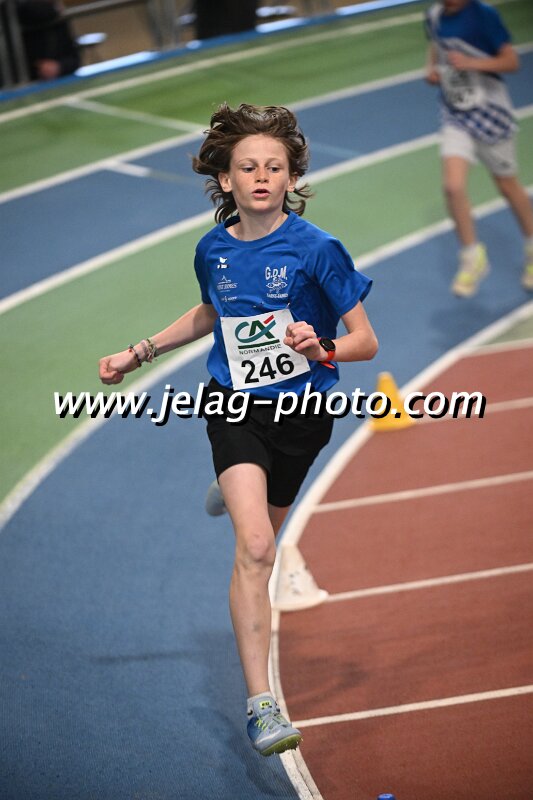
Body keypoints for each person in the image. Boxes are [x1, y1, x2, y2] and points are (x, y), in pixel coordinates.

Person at [99, 103, 378, 757]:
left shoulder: (317, 248)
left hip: (303, 416)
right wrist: (140, 351)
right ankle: (261, 705)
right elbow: (210, 313)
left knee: (264, 531)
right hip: (234, 405)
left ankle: (233, 487)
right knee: (255, 548)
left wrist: (320, 347)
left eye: (274, 167)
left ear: (291, 178)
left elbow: (365, 341)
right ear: (225, 179)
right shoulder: (213, 249)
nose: (261, 177)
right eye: (248, 167)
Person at [424, 0, 533, 296]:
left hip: (491, 113)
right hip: (455, 113)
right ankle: (472, 257)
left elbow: (512, 61)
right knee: (453, 187)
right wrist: (432, 69)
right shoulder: (434, 15)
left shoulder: (484, 15)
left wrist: (472, 63)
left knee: (507, 185)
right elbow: (436, 46)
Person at [16, 0, 80, 82]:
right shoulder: (13, 17)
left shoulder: (58, 18)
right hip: (27, 83)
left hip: (61, 80)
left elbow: (74, 59)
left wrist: (60, 66)